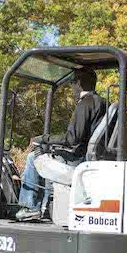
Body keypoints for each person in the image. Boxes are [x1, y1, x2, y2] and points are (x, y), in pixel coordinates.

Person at [16, 68, 106, 221]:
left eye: (72, 83)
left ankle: (31, 207)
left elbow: (72, 139)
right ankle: (44, 207)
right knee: (47, 156)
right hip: (94, 157)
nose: (71, 87)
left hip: (79, 160)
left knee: (33, 157)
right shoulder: (103, 103)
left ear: (78, 83)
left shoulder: (85, 103)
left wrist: (44, 139)